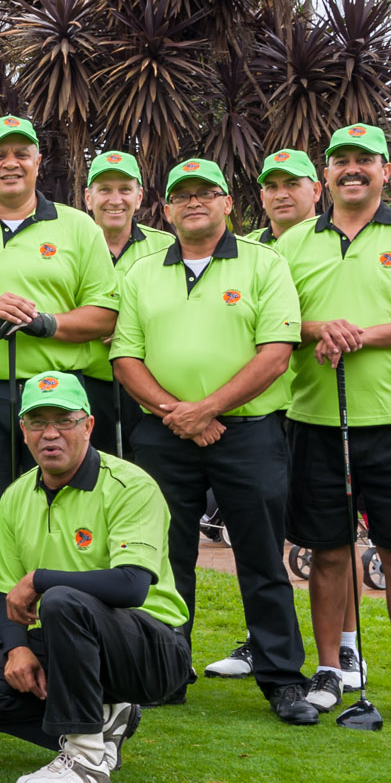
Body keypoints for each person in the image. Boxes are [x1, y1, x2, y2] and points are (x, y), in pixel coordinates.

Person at [111, 159, 313, 724]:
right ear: (166, 209)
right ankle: (167, 671)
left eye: (206, 193)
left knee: (261, 557)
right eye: (183, 195)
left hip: (248, 434)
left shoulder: (265, 262)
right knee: (165, 558)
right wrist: (178, 413)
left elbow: (276, 353)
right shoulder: (142, 272)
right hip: (164, 434)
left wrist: (206, 409)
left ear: (227, 203)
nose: (194, 202)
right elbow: (125, 356)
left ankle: (281, 678)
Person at [281, 124, 391, 726]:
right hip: (317, 419)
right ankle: (330, 669)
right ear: (325, 175)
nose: (352, 169)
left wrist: (359, 334)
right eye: (341, 161)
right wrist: (319, 329)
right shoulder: (294, 243)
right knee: (328, 553)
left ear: (386, 171)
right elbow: (277, 320)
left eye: (365, 159)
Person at [0, 372, 192, 783]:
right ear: (23, 430)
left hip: (153, 648)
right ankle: (101, 727)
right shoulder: (15, 496)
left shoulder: (131, 485)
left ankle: (85, 761)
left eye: (64, 421)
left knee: (62, 599)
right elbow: (7, 592)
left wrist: (41, 579)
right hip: (70, 641)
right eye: (37, 422)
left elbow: (132, 586)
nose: (50, 434)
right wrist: (17, 648)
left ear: (88, 426)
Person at [0, 116, 118, 527]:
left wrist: (47, 324)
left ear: (38, 162)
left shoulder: (79, 227)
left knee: (64, 508)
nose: (11, 163)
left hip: (59, 394)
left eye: (21, 154)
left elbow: (105, 315)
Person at [202, 148, 322, 680]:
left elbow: (303, 328)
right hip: (256, 412)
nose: (281, 194)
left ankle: (343, 650)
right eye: (271, 185)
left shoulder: (330, 242)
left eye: (292, 183)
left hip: (311, 406)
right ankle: (260, 642)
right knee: (260, 540)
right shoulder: (247, 249)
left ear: (316, 189)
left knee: (327, 537)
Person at [81, 151, 173, 456]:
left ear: (139, 196)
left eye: (125, 189)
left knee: (148, 469)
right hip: (87, 382)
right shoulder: (71, 245)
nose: (115, 199)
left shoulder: (167, 246)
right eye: (105, 190)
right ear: (88, 198)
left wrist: (130, 329)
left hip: (150, 384)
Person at [251, 149, 322, 245]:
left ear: (315, 191)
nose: (280, 196)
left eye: (292, 184)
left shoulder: (338, 242)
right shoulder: (244, 249)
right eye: (271, 187)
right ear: (262, 198)